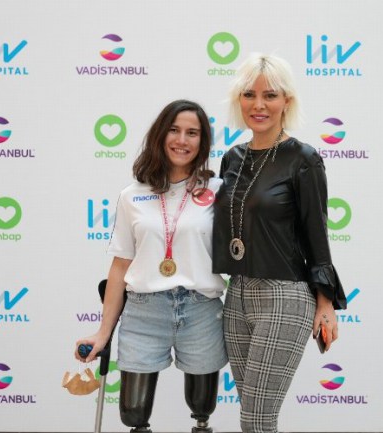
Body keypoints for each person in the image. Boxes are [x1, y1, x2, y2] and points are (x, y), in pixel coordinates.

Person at [212, 53, 347, 433]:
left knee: (257, 419)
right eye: (249, 95)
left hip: (284, 295)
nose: (259, 105)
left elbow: (317, 233)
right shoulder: (232, 158)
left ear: (286, 101)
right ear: (239, 100)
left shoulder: (303, 159)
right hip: (237, 295)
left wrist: (325, 303)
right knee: (252, 415)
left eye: (270, 95)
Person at [76, 99, 227, 433]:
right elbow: (120, 266)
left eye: (192, 133)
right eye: (174, 130)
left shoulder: (218, 191)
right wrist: (103, 333)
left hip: (201, 310)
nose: (182, 140)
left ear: (202, 142)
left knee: (202, 406)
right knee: (133, 412)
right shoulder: (132, 195)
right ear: (160, 135)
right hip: (144, 311)